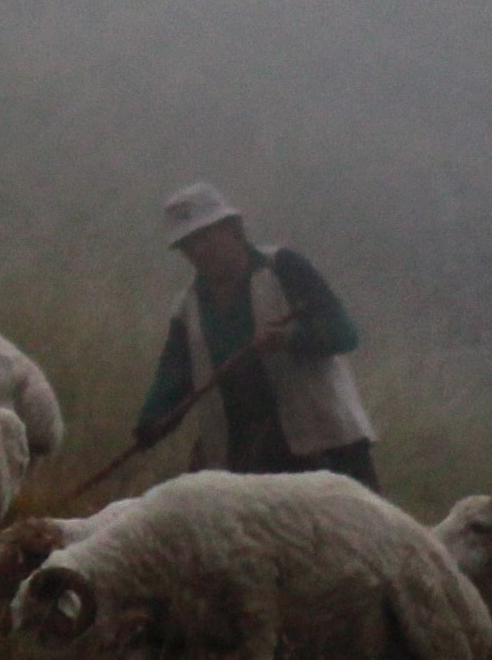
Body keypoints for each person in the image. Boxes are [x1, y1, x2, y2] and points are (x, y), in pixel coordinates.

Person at [129, 180, 377, 492]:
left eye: (204, 237)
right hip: (246, 465)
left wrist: (291, 337)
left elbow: (344, 333)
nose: (198, 250)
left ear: (233, 228)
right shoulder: (187, 307)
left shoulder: (285, 268)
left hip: (326, 449)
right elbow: (174, 376)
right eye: (188, 244)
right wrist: (152, 423)